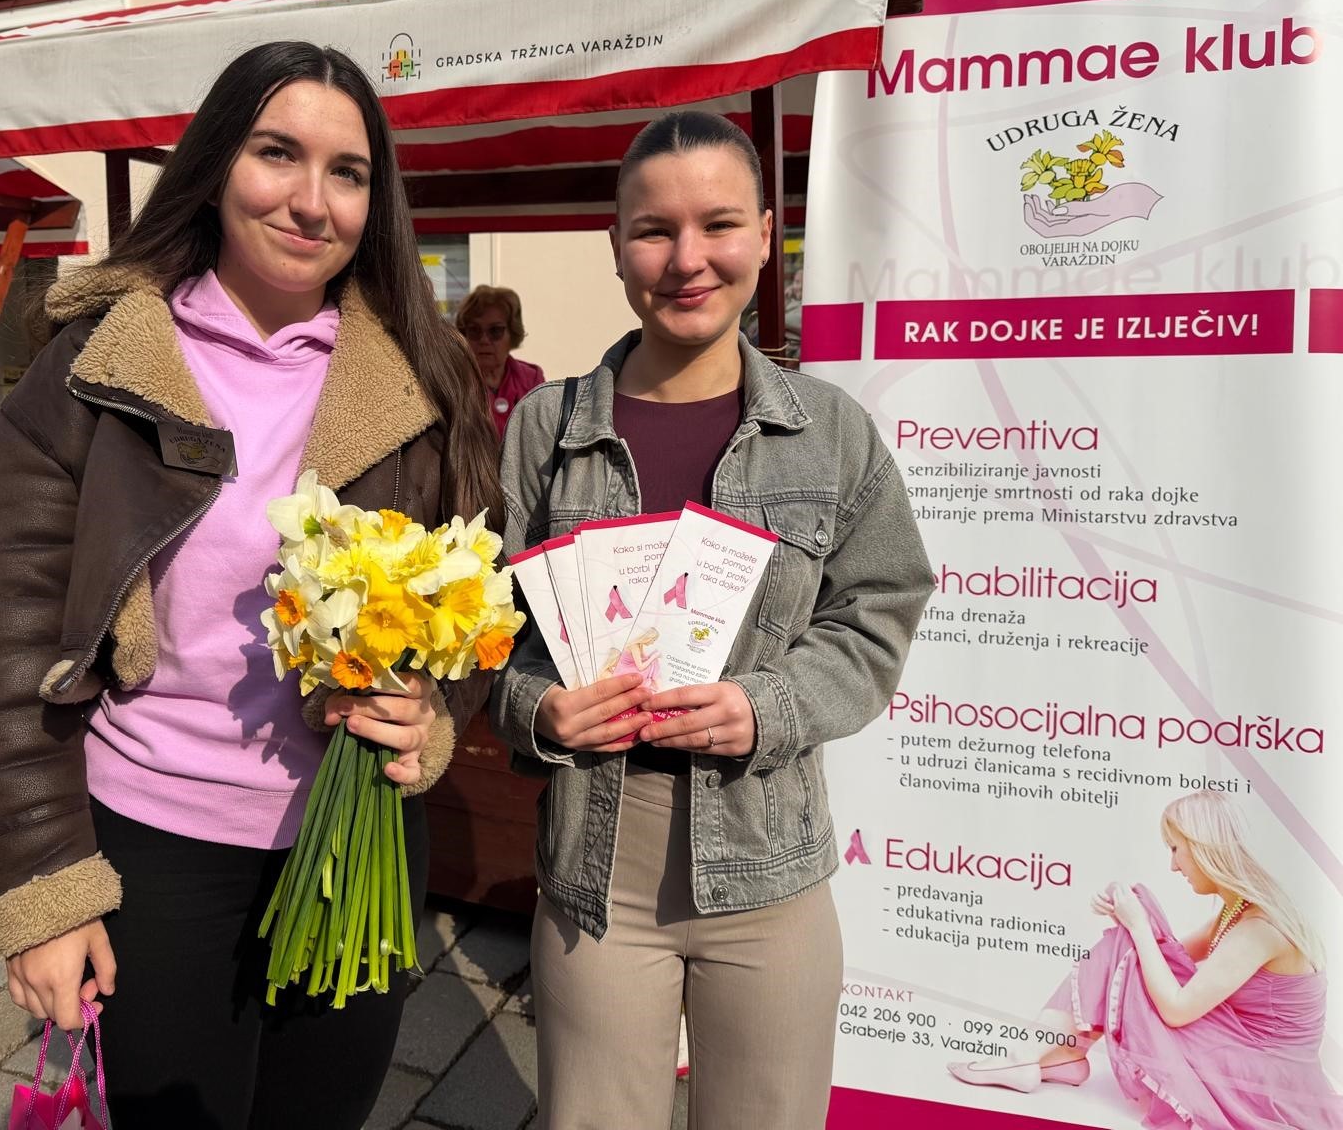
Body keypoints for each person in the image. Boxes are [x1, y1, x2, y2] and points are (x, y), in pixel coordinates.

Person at [0, 42, 499, 1130]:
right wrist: (41, 891)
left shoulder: (425, 377)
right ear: (212, 167)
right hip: (152, 846)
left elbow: (480, 600)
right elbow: (9, 641)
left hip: (355, 841)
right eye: (276, 153)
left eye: (347, 172)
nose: (312, 201)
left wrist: (434, 711)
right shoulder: (96, 366)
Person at [489, 111, 934, 1130]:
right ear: (615, 246)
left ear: (767, 235)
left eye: (719, 224)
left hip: (769, 866)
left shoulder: (829, 433)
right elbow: (490, 635)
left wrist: (770, 706)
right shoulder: (545, 431)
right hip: (598, 871)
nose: (687, 259)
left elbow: (878, 608)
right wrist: (539, 709)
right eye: (654, 230)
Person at [949, 791, 1343, 1128]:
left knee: (1133, 939)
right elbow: (1158, 957)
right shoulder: (1237, 911)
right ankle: (1055, 1054)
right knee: (1127, 943)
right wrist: (1128, 920)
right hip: (1249, 1052)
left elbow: (1176, 1009)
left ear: (1205, 848)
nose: (1173, 865)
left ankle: (1037, 1055)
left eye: (1176, 849)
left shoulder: (1258, 929)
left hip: (1263, 1074)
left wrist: (1137, 925)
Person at [456, 284, 544, 436]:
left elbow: (542, 435)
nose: (484, 340)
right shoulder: (454, 380)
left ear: (513, 333)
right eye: (474, 330)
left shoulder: (531, 379)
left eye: (495, 331)